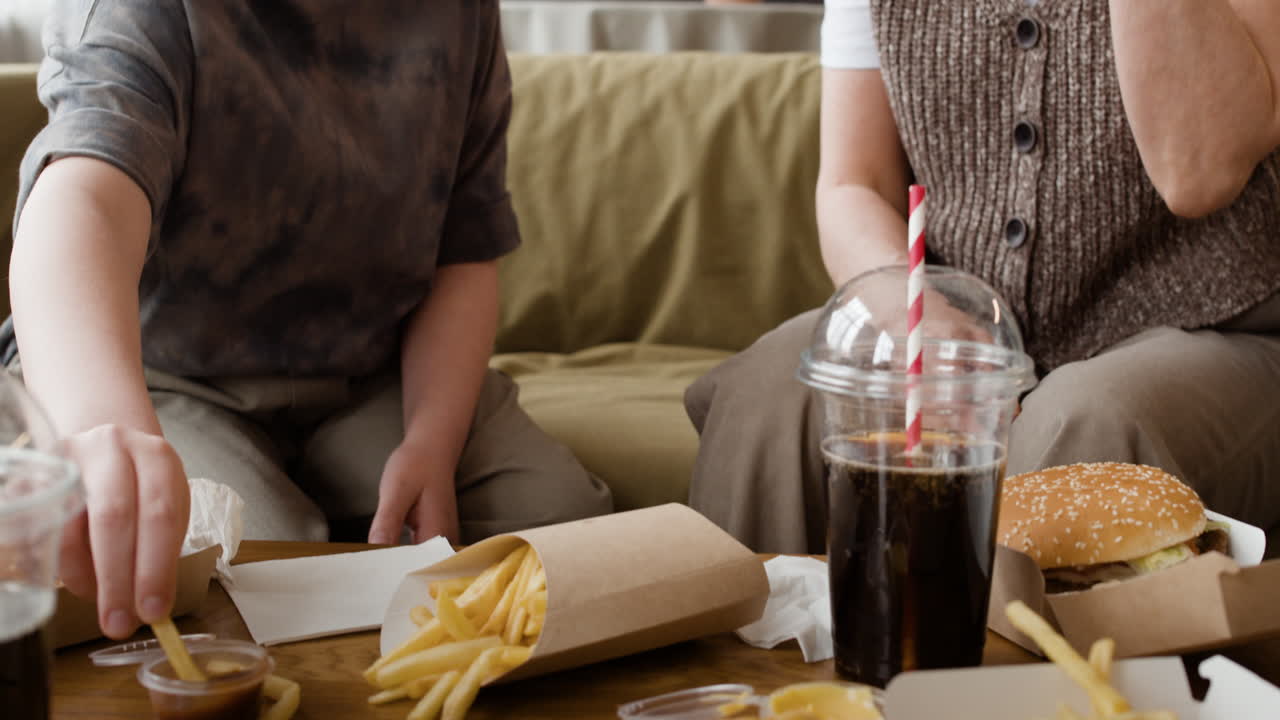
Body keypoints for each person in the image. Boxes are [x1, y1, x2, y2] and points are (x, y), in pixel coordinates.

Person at [8, 0, 613, 640]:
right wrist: (100, 421)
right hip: (168, 378)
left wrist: (432, 440)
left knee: (565, 530)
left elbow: (462, 253)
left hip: (373, 371)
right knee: (248, 574)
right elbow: (83, 200)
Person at [685, 0, 1280, 554]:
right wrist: (909, 307)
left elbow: (1197, 172)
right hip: (969, 320)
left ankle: (1001, 666)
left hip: (1226, 333)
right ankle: (754, 663)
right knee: (773, 394)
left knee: (1086, 429)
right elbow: (853, 184)